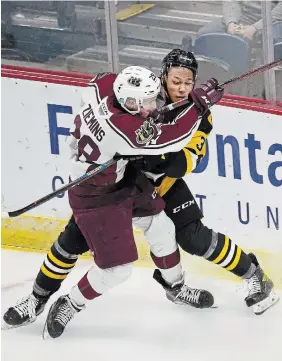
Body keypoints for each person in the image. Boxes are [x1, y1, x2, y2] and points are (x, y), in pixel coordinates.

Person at [3, 65, 223, 338]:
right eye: (147, 102)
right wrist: (197, 105)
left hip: (125, 178)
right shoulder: (123, 129)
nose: (153, 106)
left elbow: (109, 85)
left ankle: (175, 288)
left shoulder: (105, 84)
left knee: (163, 229)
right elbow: (172, 136)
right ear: (129, 102)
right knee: (112, 267)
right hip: (96, 196)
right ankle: (66, 303)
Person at [197, 1, 282, 43]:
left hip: (273, 18)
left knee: (272, 43)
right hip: (243, 15)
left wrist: (256, 27)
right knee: (205, 35)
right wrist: (231, 22)